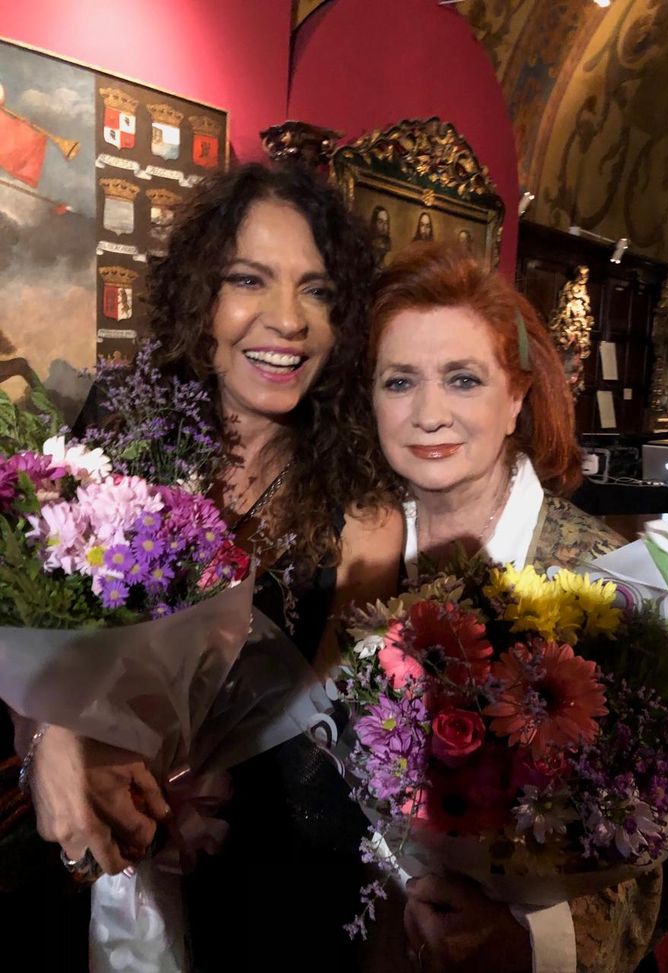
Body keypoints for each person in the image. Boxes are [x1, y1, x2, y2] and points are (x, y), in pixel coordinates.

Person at [8, 162, 403, 970]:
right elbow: (27, 628)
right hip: (71, 865)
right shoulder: (112, 432)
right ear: (200, 297)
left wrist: (194, 790)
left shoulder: (364, 514)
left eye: (318, 290)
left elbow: (323, 759)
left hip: (250, 893)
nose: (287, 319)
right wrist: (52, 735)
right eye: (248, 279)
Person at [367, 243, 668, 973]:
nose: (428, 413)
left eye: (463, 379)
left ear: (516, 398)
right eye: (400, 381)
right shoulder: (349, 556)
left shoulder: (609, 583)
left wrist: (533, 943)